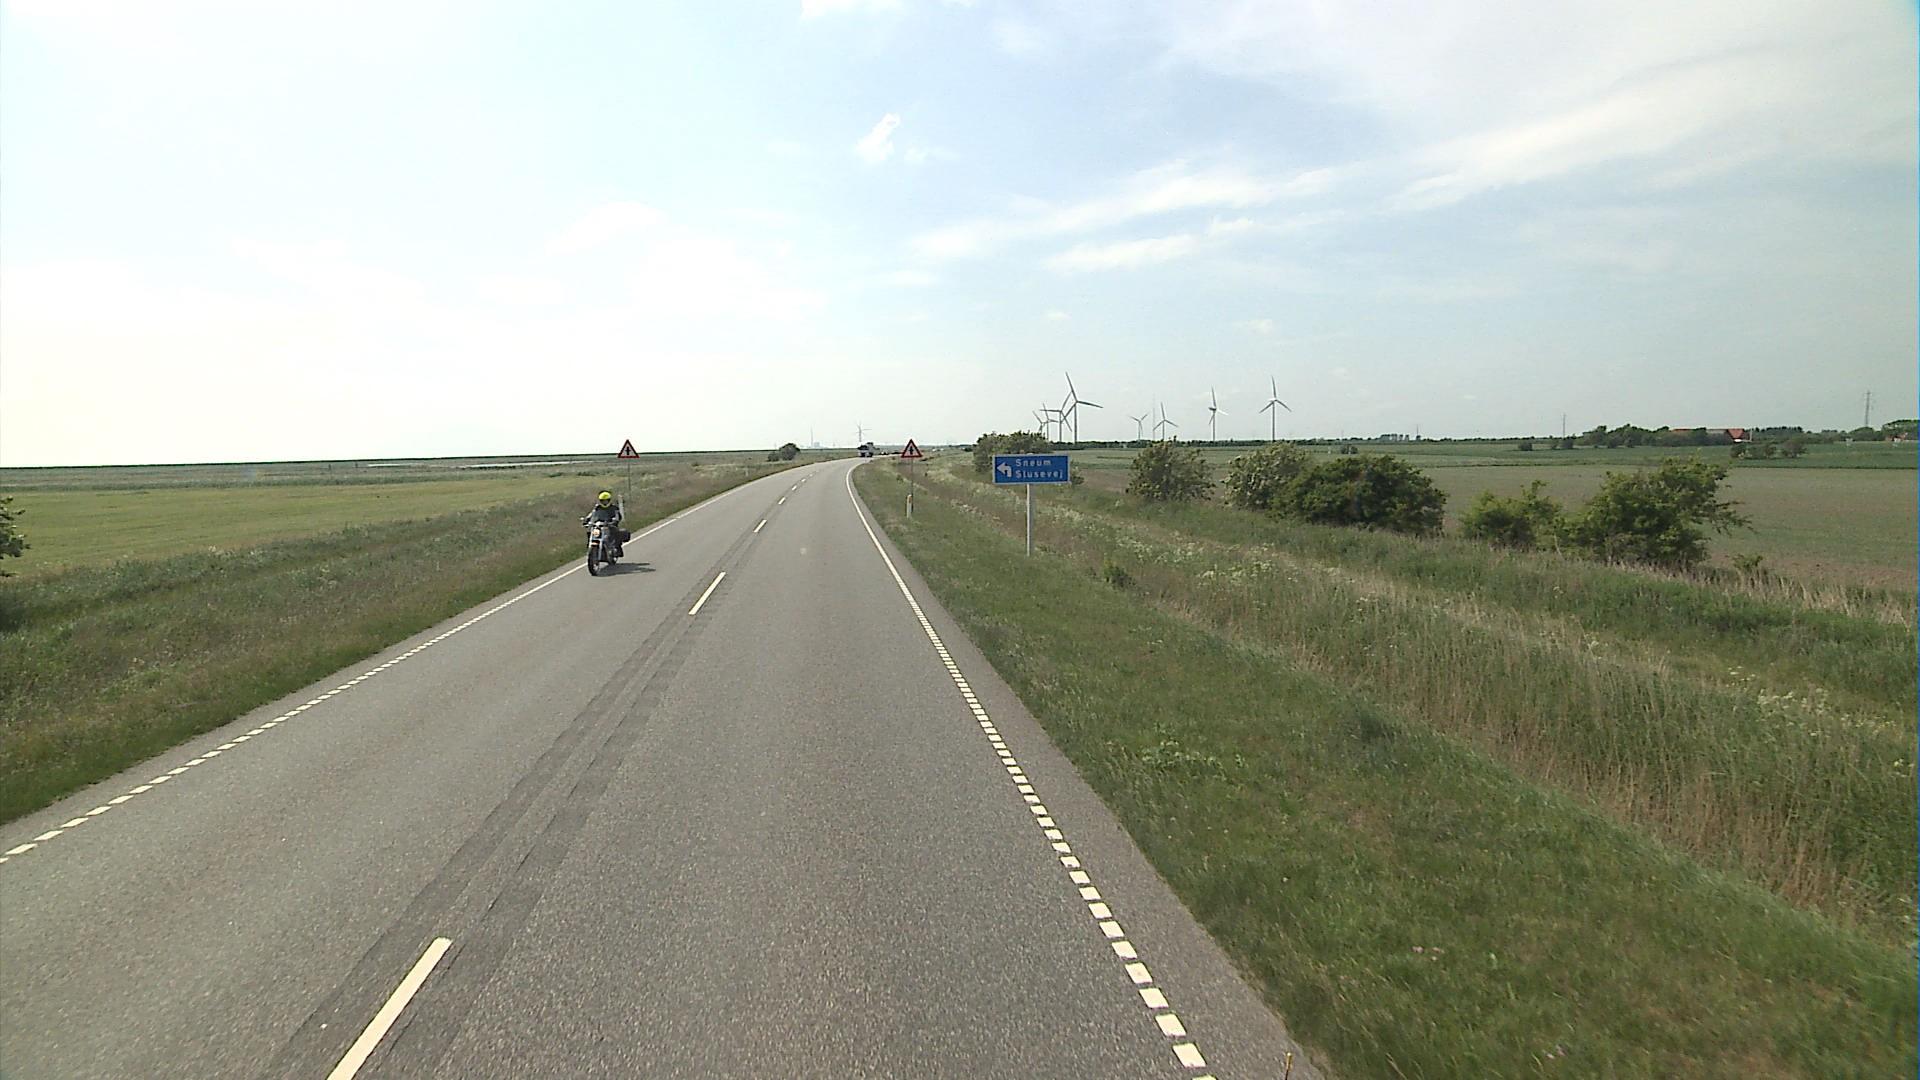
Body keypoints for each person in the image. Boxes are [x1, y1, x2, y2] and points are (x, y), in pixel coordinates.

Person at [582, 491, 625, 556]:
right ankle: (589, 546)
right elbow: (592, 514)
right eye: (603, 501)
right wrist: (586, 520)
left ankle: (617, 548)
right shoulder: (597, 508)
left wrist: (614, 521)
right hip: (599, 525)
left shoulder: (613, 508)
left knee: (615, 532)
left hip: (610, 525)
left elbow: (617, 516)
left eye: (606, 501)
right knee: (590, 532)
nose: (604, 502)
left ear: (609, 500)